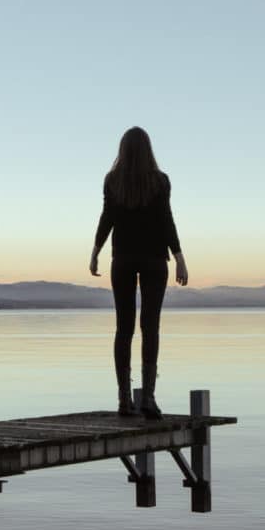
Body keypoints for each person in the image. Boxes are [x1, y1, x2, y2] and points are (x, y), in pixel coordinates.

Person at [89, 126, 188, 418]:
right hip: (155, 261)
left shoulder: (112, 181)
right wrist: (179, 256)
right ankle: (148, 398)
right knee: (150, 327)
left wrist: (95, 251)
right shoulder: (160, 181)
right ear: (148, 150)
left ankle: (123, 400)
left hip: (123, 260)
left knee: (124, 328)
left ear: (123, 150)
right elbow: (166, 220)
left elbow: (107, 217)